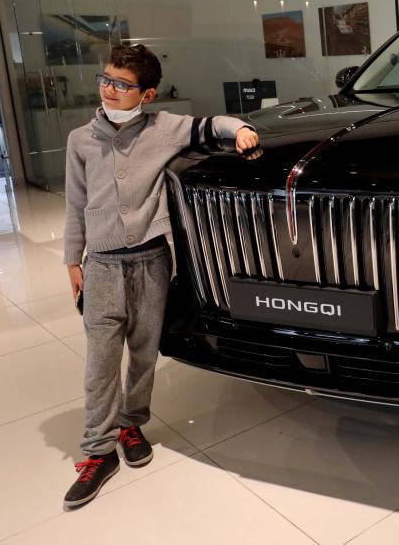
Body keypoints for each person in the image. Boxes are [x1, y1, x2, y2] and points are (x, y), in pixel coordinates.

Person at [61, 44, 260, 510]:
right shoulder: (80, 139)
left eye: (122, 84)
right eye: (106, 79)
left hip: (152, 260)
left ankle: (131, 424)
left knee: (145, 352)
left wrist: (242, 129)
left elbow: (214, 124)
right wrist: (73, 260)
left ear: (147, 94)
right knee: (101, 360)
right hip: (102, 264)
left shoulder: (165, 128)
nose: (109, 89)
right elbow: (74, 203)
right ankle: (98, 450)